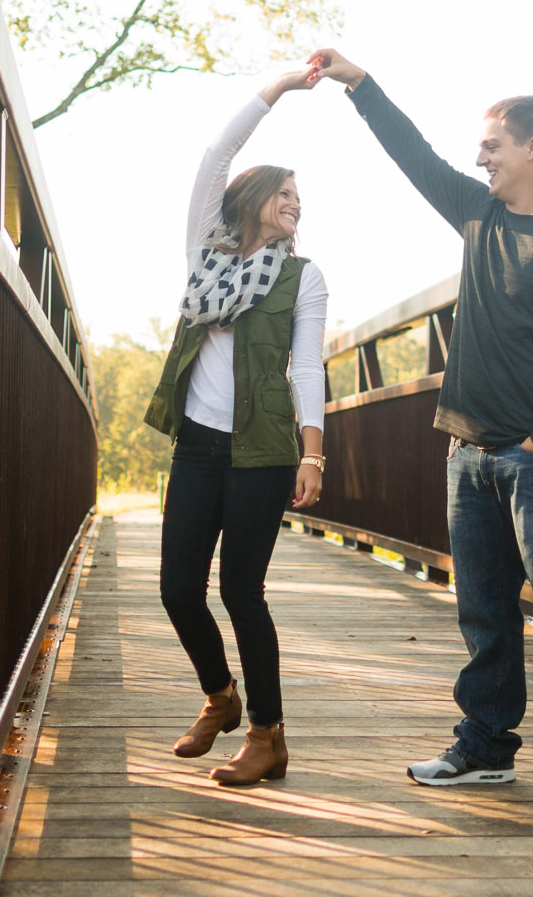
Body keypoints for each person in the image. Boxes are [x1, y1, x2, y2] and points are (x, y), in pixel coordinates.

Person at [306, 47, 533, 813]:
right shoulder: (477, 214)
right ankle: (485, 747)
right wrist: (359, 84)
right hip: (467, 456)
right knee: (483, 613)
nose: (479, 157)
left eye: (493, 145)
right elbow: (413, 154)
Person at [143, 67, 329, 787]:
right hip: (197, 444)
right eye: (285, 193)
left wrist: (312, 452)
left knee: (242, 593)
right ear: (253, 198)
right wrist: (279, 87)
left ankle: (267, 735)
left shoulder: (302, 276)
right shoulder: (207, 249)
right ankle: (221, 696)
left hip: (261, 453)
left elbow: (306, 368)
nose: (296, 204)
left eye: (300, 199)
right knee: (177, 589)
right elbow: (214, 157)